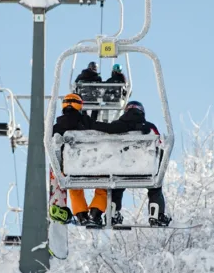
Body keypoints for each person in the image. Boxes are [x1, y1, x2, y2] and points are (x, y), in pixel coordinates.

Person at [91, 100, 171, 227]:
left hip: (121, 169)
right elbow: (159, 145)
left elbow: (107, 139)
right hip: (145, 170)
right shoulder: (150, 127)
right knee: (155, 188)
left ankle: (113, 214)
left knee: (117, 187)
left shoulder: (116, 126)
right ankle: (156, 216)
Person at [49, 93, 108, 228]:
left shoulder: (56, 128)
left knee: (74, 188)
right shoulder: (88, 123)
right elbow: (106, 130)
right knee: (104, 185)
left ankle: (81, 216)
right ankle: (95, 213)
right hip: (92, 167)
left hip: (70, 169)